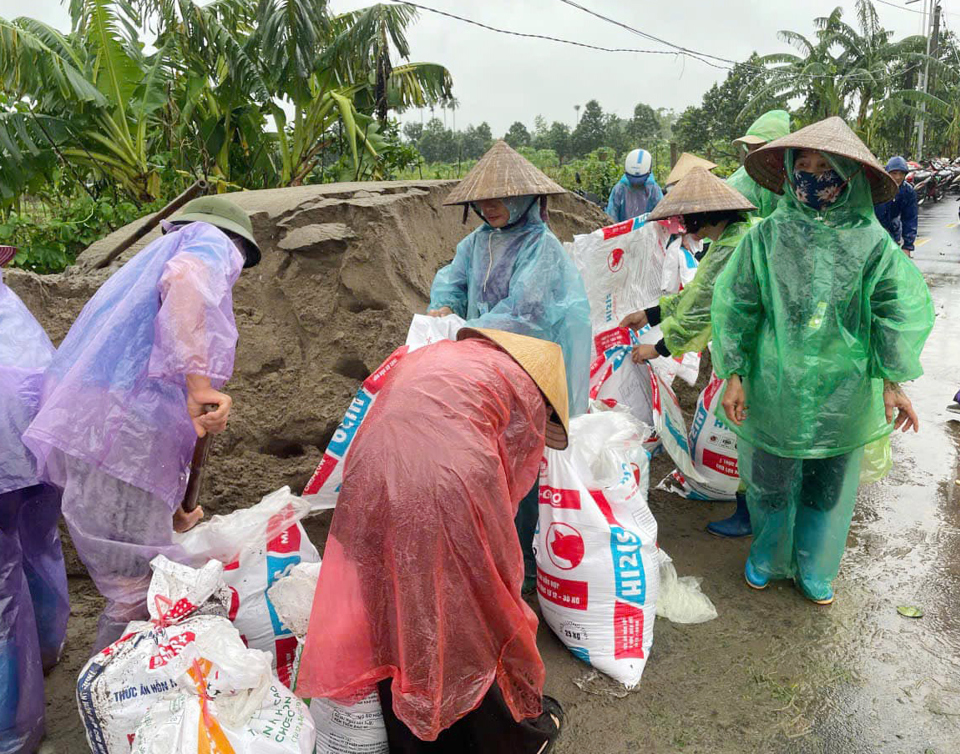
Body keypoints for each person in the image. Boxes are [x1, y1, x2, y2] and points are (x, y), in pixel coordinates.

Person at [296, 329, 568, 752]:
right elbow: (512, 475)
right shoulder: (526, 393)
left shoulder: (441, 355)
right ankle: (485, 735)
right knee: (476, 606)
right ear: (546, 396)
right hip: (448, 482)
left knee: (391, 600)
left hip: (369, 472)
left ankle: (407, 728)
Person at [711, 117, 934, 605]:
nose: (812, 175)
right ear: (789, 173)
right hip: (775, 384)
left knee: (826, 488)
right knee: (770, 480)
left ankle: (814, 565)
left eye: (824, 166)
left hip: (844, 387)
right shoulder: (764, 237)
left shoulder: (872, 243)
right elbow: (738, 306)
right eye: (803, 165)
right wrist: (735, 373)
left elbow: (894, 310)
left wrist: (892, 381)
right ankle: (767, 555)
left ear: (848, 177)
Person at [24, 196, 261, 652]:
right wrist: (198, 384)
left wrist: (170, 510)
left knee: (129, 580)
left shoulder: (143, 272)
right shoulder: (208, 240)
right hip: (117, 434)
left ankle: (121, 693)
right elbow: (187, 282)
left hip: (98, 431)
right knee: (136, 590)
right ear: (236, 246)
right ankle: (122, 698)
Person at [427, 139, 591, 591]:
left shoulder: (543, 248)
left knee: (521, 468)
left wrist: (471, 330)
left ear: (526, 197)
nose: (490, 206)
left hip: (527, 371)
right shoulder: (476, 243)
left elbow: (526, 313)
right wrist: (445, 309)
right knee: (486, 463)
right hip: (482, 365)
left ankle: (522, 568)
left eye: (501, 196)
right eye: (483, 198)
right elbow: (451, 284)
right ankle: (490, 559)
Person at [618, 168, 760, 538]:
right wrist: (649, 314)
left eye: (685, 218)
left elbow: (702, 308)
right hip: (754, 349)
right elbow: (694, 296)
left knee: (750, 431)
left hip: (757, 353)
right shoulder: (734, 237)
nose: (682, 225)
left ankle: (751, 514)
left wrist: (659, 348)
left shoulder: (733, 247)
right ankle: (753, 508)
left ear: (705, 214)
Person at [0, 248, 70, 754]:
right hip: (43, 439)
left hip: (6, 448)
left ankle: (12, 730)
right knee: (36, 541)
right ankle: (47, 648)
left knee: (1, 584)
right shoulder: (11, 309)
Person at [727, 109, 791, 219]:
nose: (751, 154)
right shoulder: (740, 181)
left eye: (757, 147)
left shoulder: (798, 178)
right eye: (750, 148)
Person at [875, 156, 918, 257]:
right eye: (894, 173)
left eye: (901, 173)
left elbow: (910, 218)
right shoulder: (877, 187)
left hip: (892, 229)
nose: (898, 177)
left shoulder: (908, 191)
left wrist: (907, 246)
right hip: (873, 229)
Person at [606, 148, 664, 222]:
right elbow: (611, 215)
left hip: (647, 231)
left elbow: (661, 214)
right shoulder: (620, 188)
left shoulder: (653, 189)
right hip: (623, 231)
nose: (636, 184)